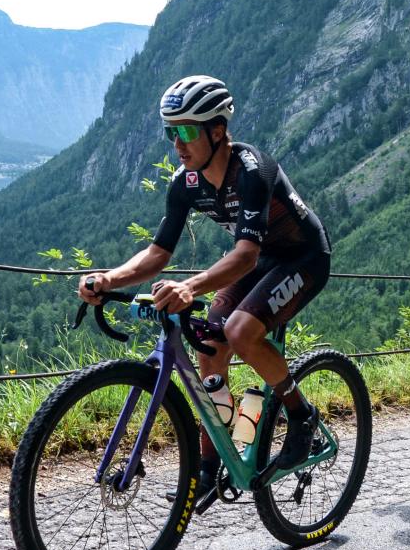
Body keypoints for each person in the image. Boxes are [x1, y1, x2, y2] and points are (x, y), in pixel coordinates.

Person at [79, 75, 332, 504]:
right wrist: (110, 279)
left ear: (217, 131)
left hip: (302, 257)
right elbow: (159, 251)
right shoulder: (187, 182)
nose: (177, 143)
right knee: (209, 345)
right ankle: (212, 463)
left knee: (240, 331)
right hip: (259, 260)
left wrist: (190, 286)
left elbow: (246, 255)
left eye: (187, 131)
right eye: (170, 131)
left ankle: (300, 415)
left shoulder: (252, 170)